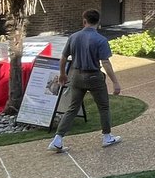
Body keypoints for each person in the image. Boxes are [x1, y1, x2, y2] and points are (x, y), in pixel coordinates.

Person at [49, 9, 123, 152]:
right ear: (98, 21)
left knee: (72, 108)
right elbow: (105, 62)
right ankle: (107, 136)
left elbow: (63, 58)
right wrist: (115, 82)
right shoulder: (101, 40)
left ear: (84, 21)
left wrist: (63, 74)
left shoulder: (73, 37)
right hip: (94, 76)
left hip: (76, 75)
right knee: (103, 107)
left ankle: (58, 139)